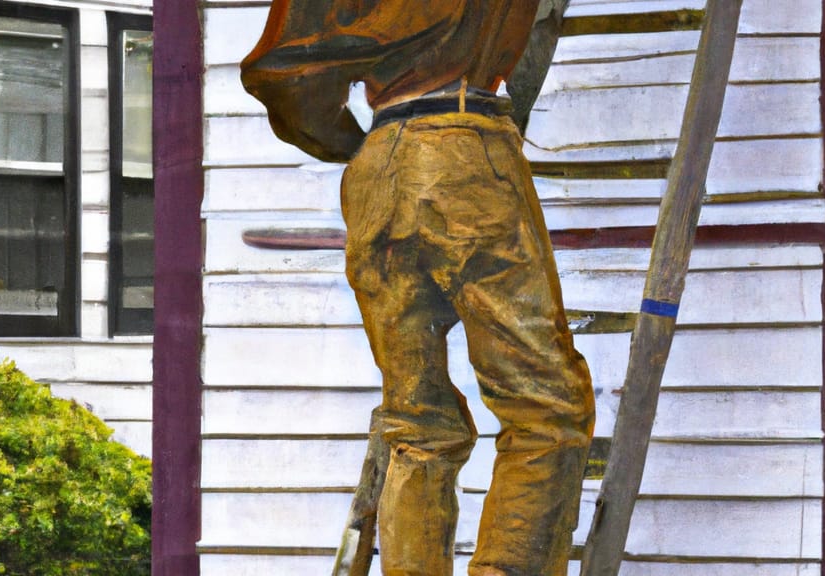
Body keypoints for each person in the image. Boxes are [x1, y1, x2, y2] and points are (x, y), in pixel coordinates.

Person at [242, 2, 595, 574]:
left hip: (379, 161)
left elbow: (287, 73)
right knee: (546, 410)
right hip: (465, 145)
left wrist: (356, 142)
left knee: (416, 422)